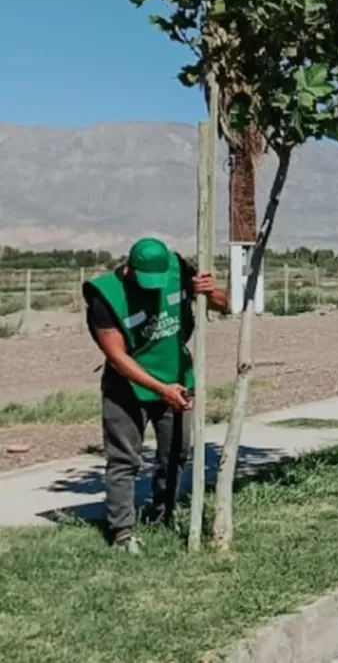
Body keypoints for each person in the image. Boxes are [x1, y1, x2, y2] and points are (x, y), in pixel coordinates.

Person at [82, 237, 229, 554]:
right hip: (127, 389)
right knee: (124, 460)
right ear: (128, 269)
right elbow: (118, 358)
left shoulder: (178, 269)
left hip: (177, 379)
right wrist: (162, 390)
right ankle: (122, 532)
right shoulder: (104, 296)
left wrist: (210, 292)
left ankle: (164, 514)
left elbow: (225, 305)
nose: (153, 289)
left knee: (176, 454)